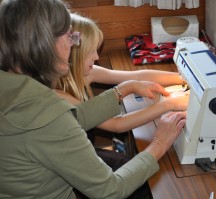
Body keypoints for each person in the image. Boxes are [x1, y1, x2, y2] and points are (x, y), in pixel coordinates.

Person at [0, 0, 186, 199]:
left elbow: (74, 116)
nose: (73, 43)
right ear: (45, 45)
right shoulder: (47, 117)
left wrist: (122, 90)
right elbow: (110, 191)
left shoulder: (13, 87)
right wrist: (160, 141)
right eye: (69, 36)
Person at [56, 13, 188, 134]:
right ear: (72, 54)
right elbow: (117, 125)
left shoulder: (85, 72)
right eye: (91, 51)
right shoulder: (61, 97)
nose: (96, 57)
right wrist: (169, 104)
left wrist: (184, 78)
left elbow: (137, 76)